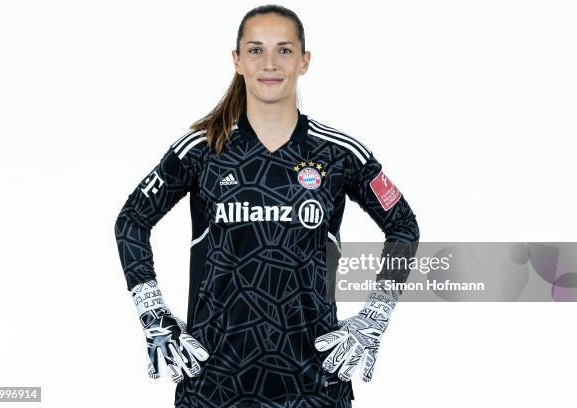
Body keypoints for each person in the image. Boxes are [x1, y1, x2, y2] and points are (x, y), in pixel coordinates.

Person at [114, 4, 420, 408]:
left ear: (304, 61)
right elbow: (132, 220)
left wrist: (375, 316)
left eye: (285, 50)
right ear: (237, 61)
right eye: (256, 50)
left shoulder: (339, 153)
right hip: (213, 386)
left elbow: (403, 226)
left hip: (314, 387)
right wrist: (153, 313)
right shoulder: (202, 149)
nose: (270, 63)